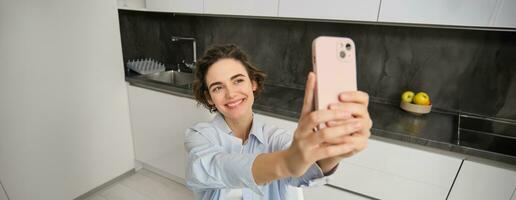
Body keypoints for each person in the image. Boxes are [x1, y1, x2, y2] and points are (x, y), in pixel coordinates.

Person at [184, 44, 372, 200]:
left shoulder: (276, 138)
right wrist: (285, 163)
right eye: (218, 88)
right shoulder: (199, 136)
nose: (231, 93)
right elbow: (217, 168)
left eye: (238, 81)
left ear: (253, 83)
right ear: (209, 98)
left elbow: (302, 171)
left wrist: (335, 152)